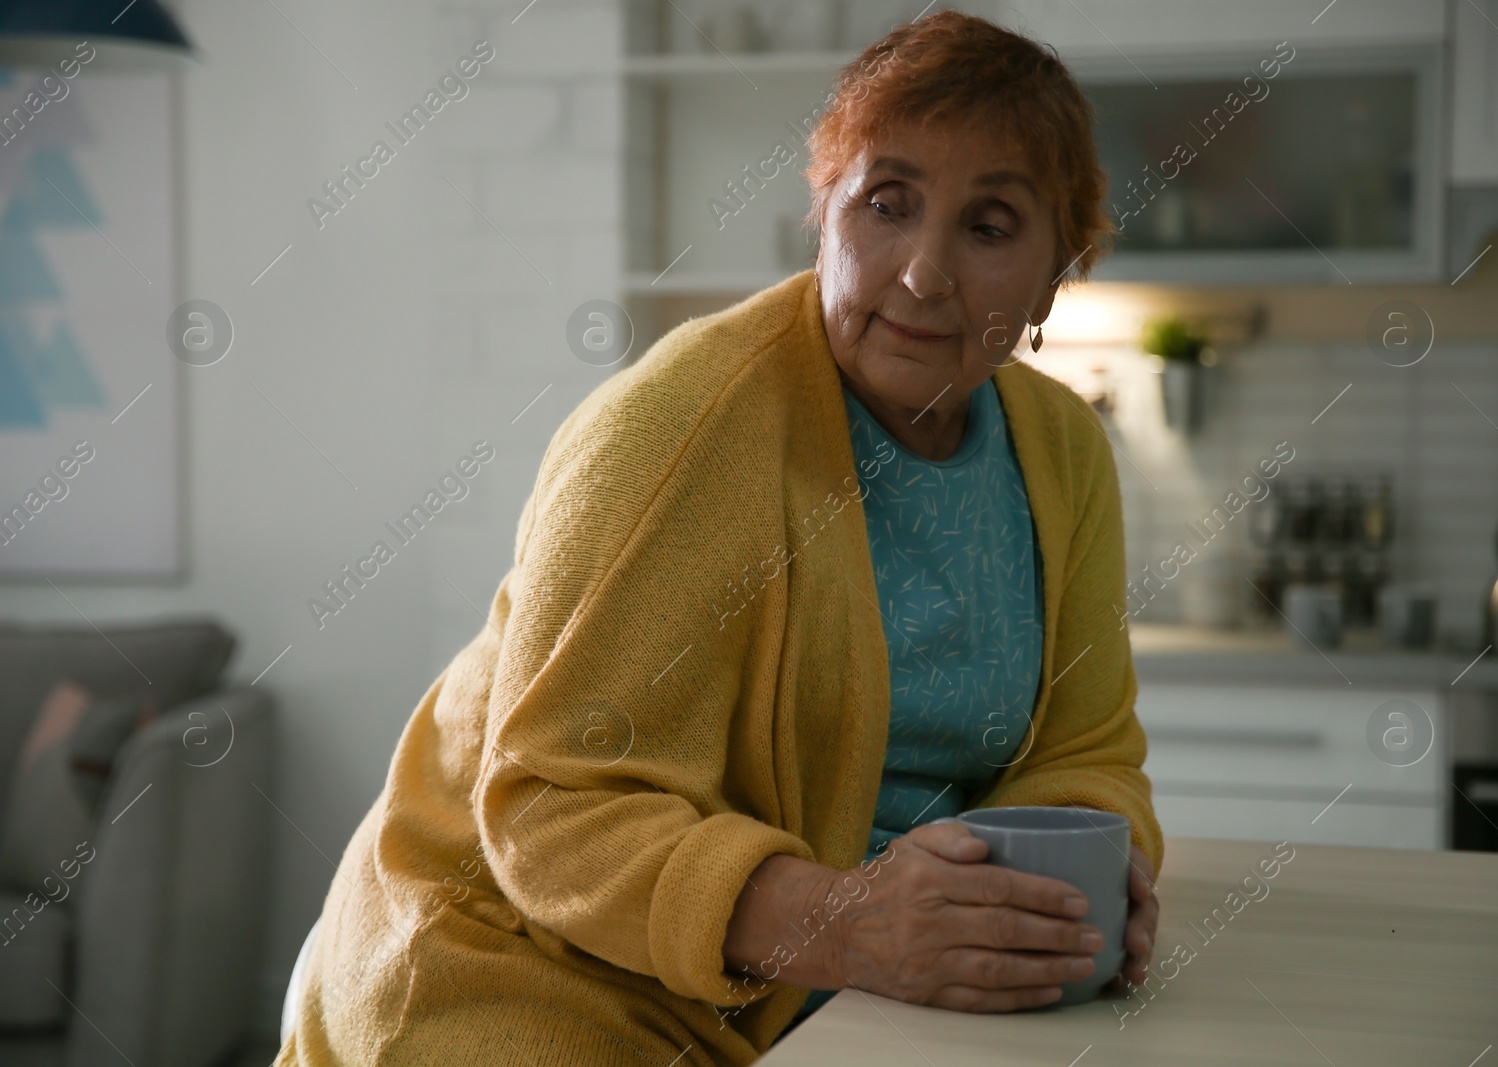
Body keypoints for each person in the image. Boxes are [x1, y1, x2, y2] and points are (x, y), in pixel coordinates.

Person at [277, 11, 1161, 1066]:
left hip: (823, 996)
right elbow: (553, 804)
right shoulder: (678, 425)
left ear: (1057, 267)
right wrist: (849, 922)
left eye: (989, 224)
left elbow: (1085, 749)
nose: (925, 273)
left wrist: (1073, 894)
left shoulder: (1060, 450)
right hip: (518, 973)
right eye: (887, 203)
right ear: (823, 213)